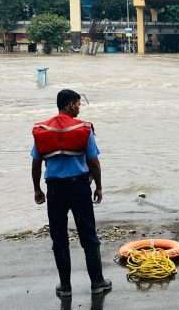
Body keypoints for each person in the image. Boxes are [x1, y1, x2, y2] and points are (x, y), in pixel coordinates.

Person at [31, 89, 112, 297]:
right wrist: (99, 186)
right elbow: (93, 162)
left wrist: (37, 189)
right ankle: (97, 283)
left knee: (59, 238)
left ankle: (65, 286)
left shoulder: (43, 130)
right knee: (89, 235)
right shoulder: (83, 129)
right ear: (68, 105)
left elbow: (36, 162)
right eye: (77, 104)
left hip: (55, 190)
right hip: (79, 188)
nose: (79, 107)